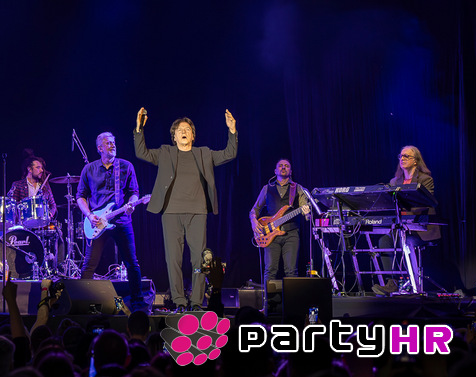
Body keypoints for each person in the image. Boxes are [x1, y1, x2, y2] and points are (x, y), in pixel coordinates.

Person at [134, 107, 237, 312]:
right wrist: (139, 129)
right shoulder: (165, 153)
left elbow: (229, 154)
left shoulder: (204, 153)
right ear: (174, 136)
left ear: (193, 136)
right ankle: (179, 301)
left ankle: (197, 302)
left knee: (199, 259)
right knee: (173, 259)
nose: (183, 131)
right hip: (171, 213)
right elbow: (141, 152)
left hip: (198, 212)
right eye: (179, 130)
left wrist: (232, 131)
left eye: (187, 129)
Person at [76, 132, 147, 311]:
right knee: (89, 264)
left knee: (132, 263)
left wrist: (131, 204)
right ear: (99, 148)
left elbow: (134, 192)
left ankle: (138, 304)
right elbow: (80, 196)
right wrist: (89, 215)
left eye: (113, 142)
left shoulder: (126, 166)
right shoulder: (89, 169)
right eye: (108, 143)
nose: (112, 145)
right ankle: (82, 303)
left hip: (121, 219)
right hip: (97, 222)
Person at [372, 145, 440, 295]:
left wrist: (405, 208)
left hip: (420, 229)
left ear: (415, 161)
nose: (402, 158)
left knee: (405, 241)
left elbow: (426, 203)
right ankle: (392, 283)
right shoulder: (395, 182)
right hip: (401, 228)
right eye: (401, 156)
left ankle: (415, 284)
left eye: (406, 156)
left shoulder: (425, 180)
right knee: (384, 241)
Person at [249, 159, 310, 282]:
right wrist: (253, 221)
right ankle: (268, 296)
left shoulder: (297, 188)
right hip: (270, 233)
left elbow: (305, 212)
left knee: (291, 270)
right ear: (275, 171)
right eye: (280, 166)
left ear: (290, 171)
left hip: (291, 233)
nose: (283, 167)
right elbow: (254, 210)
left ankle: (291, 295)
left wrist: (307, 212)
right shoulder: (267, 188)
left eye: (286, 166)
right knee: (270, 270)